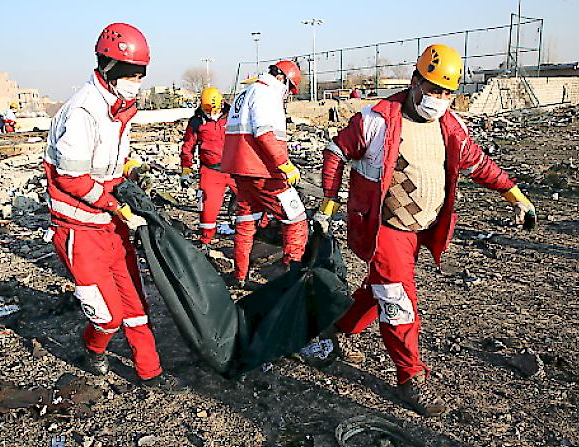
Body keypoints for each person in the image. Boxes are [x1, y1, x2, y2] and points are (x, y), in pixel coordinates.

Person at [309, 44, 537, 416]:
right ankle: (410, 377)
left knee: (380, 288)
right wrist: (329, 202)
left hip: (419, 230)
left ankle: (339, 327)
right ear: (415, 82)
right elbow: (336, 151)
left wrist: (515, 195)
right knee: (398, 300)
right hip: (385, 229)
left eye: (447, 93)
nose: (439, 99)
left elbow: (479, 164)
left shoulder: (451, 126)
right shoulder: (378, 120)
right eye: (432, 89)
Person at [43, 22, 180, 389]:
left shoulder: (119, 108)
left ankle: (149, 371)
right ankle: (94, 348)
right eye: (131, 74)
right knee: (108, 315)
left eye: (140, 74)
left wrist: (132, 172)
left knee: (136, 303)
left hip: (109, 223)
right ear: (109, 68)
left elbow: (111, 163)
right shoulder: (83, 111)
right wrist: (112, 205)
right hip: (79, 228)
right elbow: (71, 178)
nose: (137, 81)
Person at [221, 60, 307, 288]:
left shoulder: (246, 92)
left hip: (240, 170)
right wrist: (284, 164)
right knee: (296, 219)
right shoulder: (266, 93)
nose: (288, 94)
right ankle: (293, 279)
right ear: (282, 79)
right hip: (264, 171)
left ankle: (240, 276)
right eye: (290, 88)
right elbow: (264, 132)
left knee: (246, 222)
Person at [179, 86, 236, 250]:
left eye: (214, 110)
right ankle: (205, 241)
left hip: (234, 169)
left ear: (222, 103)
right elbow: (188, 147)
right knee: (208, 209)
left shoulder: (232, 117)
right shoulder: (196, 122)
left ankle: (259, 231)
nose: (211, 114)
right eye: (207, 110)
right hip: (211, 171)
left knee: (251, 201)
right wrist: (186, 170)